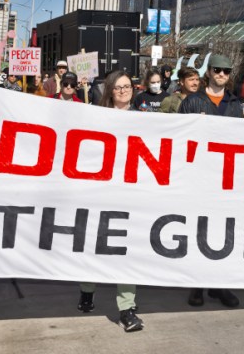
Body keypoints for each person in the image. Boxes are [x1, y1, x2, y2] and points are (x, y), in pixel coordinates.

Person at [77, 70, 143, 332]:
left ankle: (126, 308)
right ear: (110, 91)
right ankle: (86, 290)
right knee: (95, 244)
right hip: (100, 191)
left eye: (127, 86)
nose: (123, 91)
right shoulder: (96, 117)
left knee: (126, 250)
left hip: (129, 193)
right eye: (118, 87)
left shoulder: (145, 120)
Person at [178, 54, 242, 308]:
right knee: (198, 231)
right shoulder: (193, 102)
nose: (222, 75)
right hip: (199, 176)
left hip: (226, 178)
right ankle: (196, 286)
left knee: (224, 232)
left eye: (226, 71)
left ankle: (219, 284)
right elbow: (179, 137)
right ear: (209, 72)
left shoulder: (236, 104)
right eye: (217, 70)